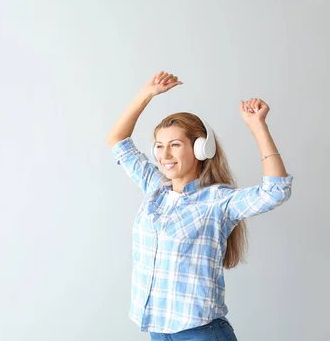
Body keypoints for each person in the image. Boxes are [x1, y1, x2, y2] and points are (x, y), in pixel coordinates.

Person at [106, 71, 293, 341]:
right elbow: (117, 141)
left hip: (200, 333)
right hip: (158, 331)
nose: (164, 155)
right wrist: (146, 94)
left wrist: (257, 126)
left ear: (200, 149)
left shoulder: (217, 200)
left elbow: (276, 191)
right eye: (159, 146)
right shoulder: (155, 189)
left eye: (174, 145)